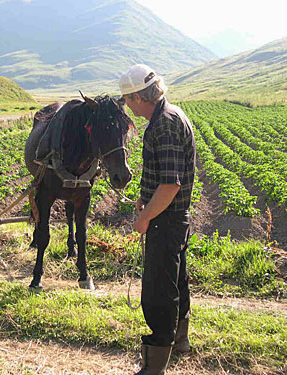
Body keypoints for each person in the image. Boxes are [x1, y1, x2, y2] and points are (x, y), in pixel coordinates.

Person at [119, 64, 196, 374]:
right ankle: (180, 341)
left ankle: (154, 364)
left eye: (127, 100)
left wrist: (145, 217)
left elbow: (170, 184)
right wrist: (145, 197)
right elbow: (164, 177)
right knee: (175, 280)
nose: (126, 106)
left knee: (157, 291)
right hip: (174, 215)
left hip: (166, 219)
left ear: (138, 97)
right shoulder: (173, 114)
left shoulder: (163, 124)